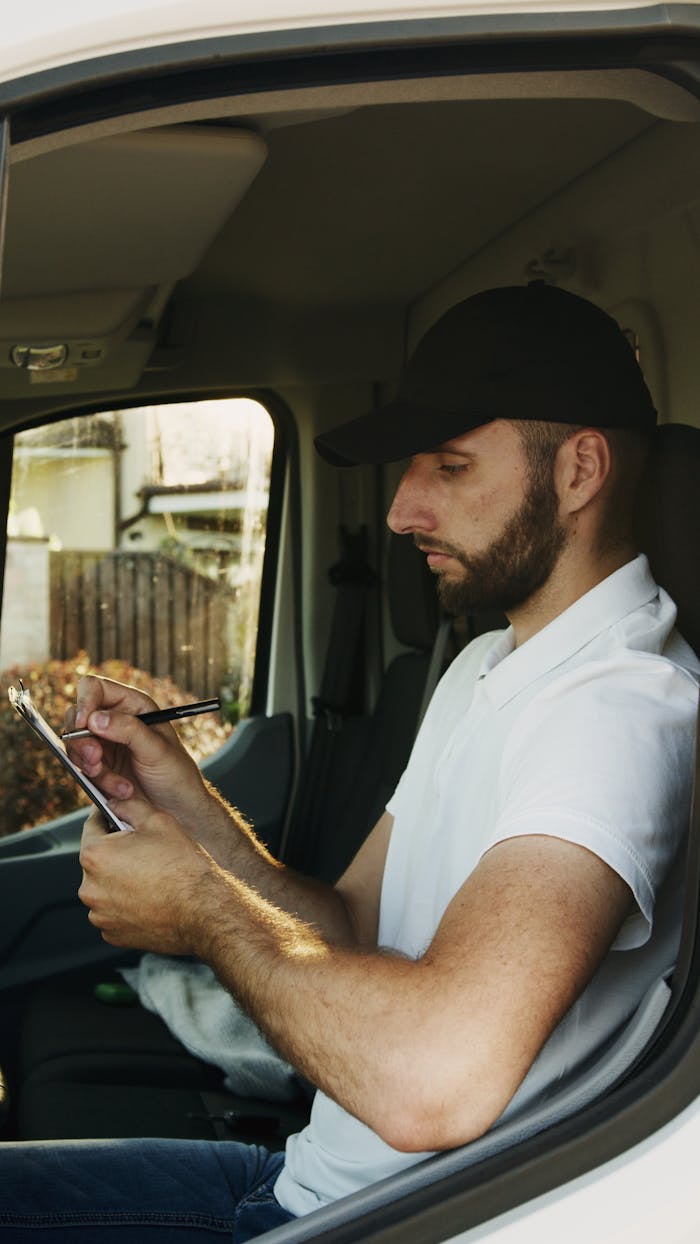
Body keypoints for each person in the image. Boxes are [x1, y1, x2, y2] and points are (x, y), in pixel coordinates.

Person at [1, 282, 698, 1242]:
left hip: (405, 1220)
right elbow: (353, 924)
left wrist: (203, 914)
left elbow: (436, 1085)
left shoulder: (618, 712)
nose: (406, 507)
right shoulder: (491, 665)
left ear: (580, 470)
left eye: (451, 467)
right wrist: (189, 806)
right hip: (311, 1179)